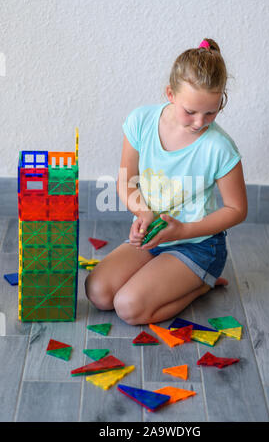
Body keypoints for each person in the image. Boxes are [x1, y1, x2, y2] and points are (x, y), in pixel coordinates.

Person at [85, 38, 248, 325]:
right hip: (156, 236)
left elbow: (237, 209)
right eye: (191, 111)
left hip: (198, 244)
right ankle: (170, 275)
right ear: (170, 93)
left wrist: (183, 230)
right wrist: (144, 214)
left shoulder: (220, 147)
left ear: (221, 100)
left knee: (128, 307)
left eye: (211, 112)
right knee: (98, 293)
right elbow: (127, 180)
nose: (200, 122)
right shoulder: (141, 122)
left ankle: (202, 283)